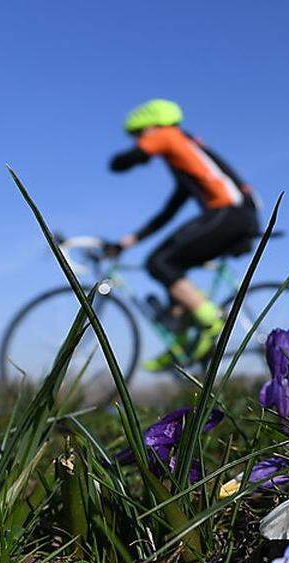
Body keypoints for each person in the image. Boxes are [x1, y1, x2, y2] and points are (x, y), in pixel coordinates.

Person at [109, 99, 260, 371]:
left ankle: (211, 319)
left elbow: (123, 162)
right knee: (172, 271)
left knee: (158, 262)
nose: (139, 141)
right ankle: (181, 345)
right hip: (237, 216)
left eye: (139, 134)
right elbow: (169, 211)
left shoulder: (168, 135)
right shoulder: (186, 157)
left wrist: (123, 158)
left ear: (152, 126)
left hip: (229, 213)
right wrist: (129, 241)